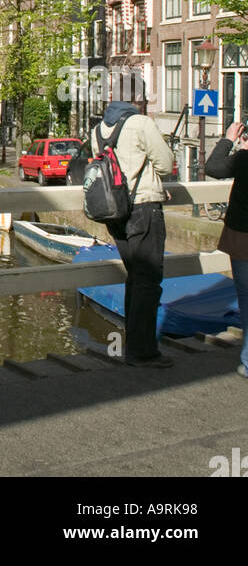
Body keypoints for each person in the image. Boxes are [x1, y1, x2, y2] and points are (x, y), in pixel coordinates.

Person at [95, 99, 175, 368]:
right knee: (148, 280)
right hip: (143, 209)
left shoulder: (99, 130)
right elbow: (165, 163)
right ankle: (143, 352)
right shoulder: (141, 123)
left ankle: (133, 346)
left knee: (135, 278)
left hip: (114, 213)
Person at [205, 120, 248, 378]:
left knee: (246, 295)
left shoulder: (243, 160)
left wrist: (230, 140)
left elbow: (213, 166)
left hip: (243, 237)